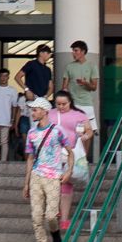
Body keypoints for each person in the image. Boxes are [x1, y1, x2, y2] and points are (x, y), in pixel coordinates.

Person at [20, 98, 72, 242]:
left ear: (44, 111)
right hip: (36, 175)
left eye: (35, 110)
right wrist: (26, 182)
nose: (32, 113)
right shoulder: (31, 133)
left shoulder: (58, 131)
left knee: (50, 215)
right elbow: (29, 158)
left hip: (53, 176)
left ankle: (55, 232)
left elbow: (70, 152)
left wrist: (68, 171)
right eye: (32, 110)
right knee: (36, 217)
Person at [45, 89, 93, 226]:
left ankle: (64, 219)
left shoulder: (79, 115)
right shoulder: (50, 114)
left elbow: (89, 130)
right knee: (53, 183)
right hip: (52, 154)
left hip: (70, 154)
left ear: (70, 102)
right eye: (58, 104)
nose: (61, 107)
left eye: (64, 104)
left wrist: (85, 136)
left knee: (66, 183)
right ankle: (57, 210)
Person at [61, 40, 99, 133]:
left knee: (89, 131)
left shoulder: (92, 66)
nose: (73, 53)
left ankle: (85, 148)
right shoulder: (69, 66)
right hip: (73, 103)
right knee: (76, 131)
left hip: (87, 103)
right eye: (73, 51)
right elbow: (64, 87)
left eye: (76, 50)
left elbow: (94, 87)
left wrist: (85, 83)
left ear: (83, 51)